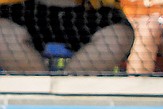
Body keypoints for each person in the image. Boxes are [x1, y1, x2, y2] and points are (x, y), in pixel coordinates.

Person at [0, 0, 134, 73]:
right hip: (24, 8)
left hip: (90, 9)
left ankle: (69, 92)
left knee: (118, 36)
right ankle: (39, 91)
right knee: (2, 35)